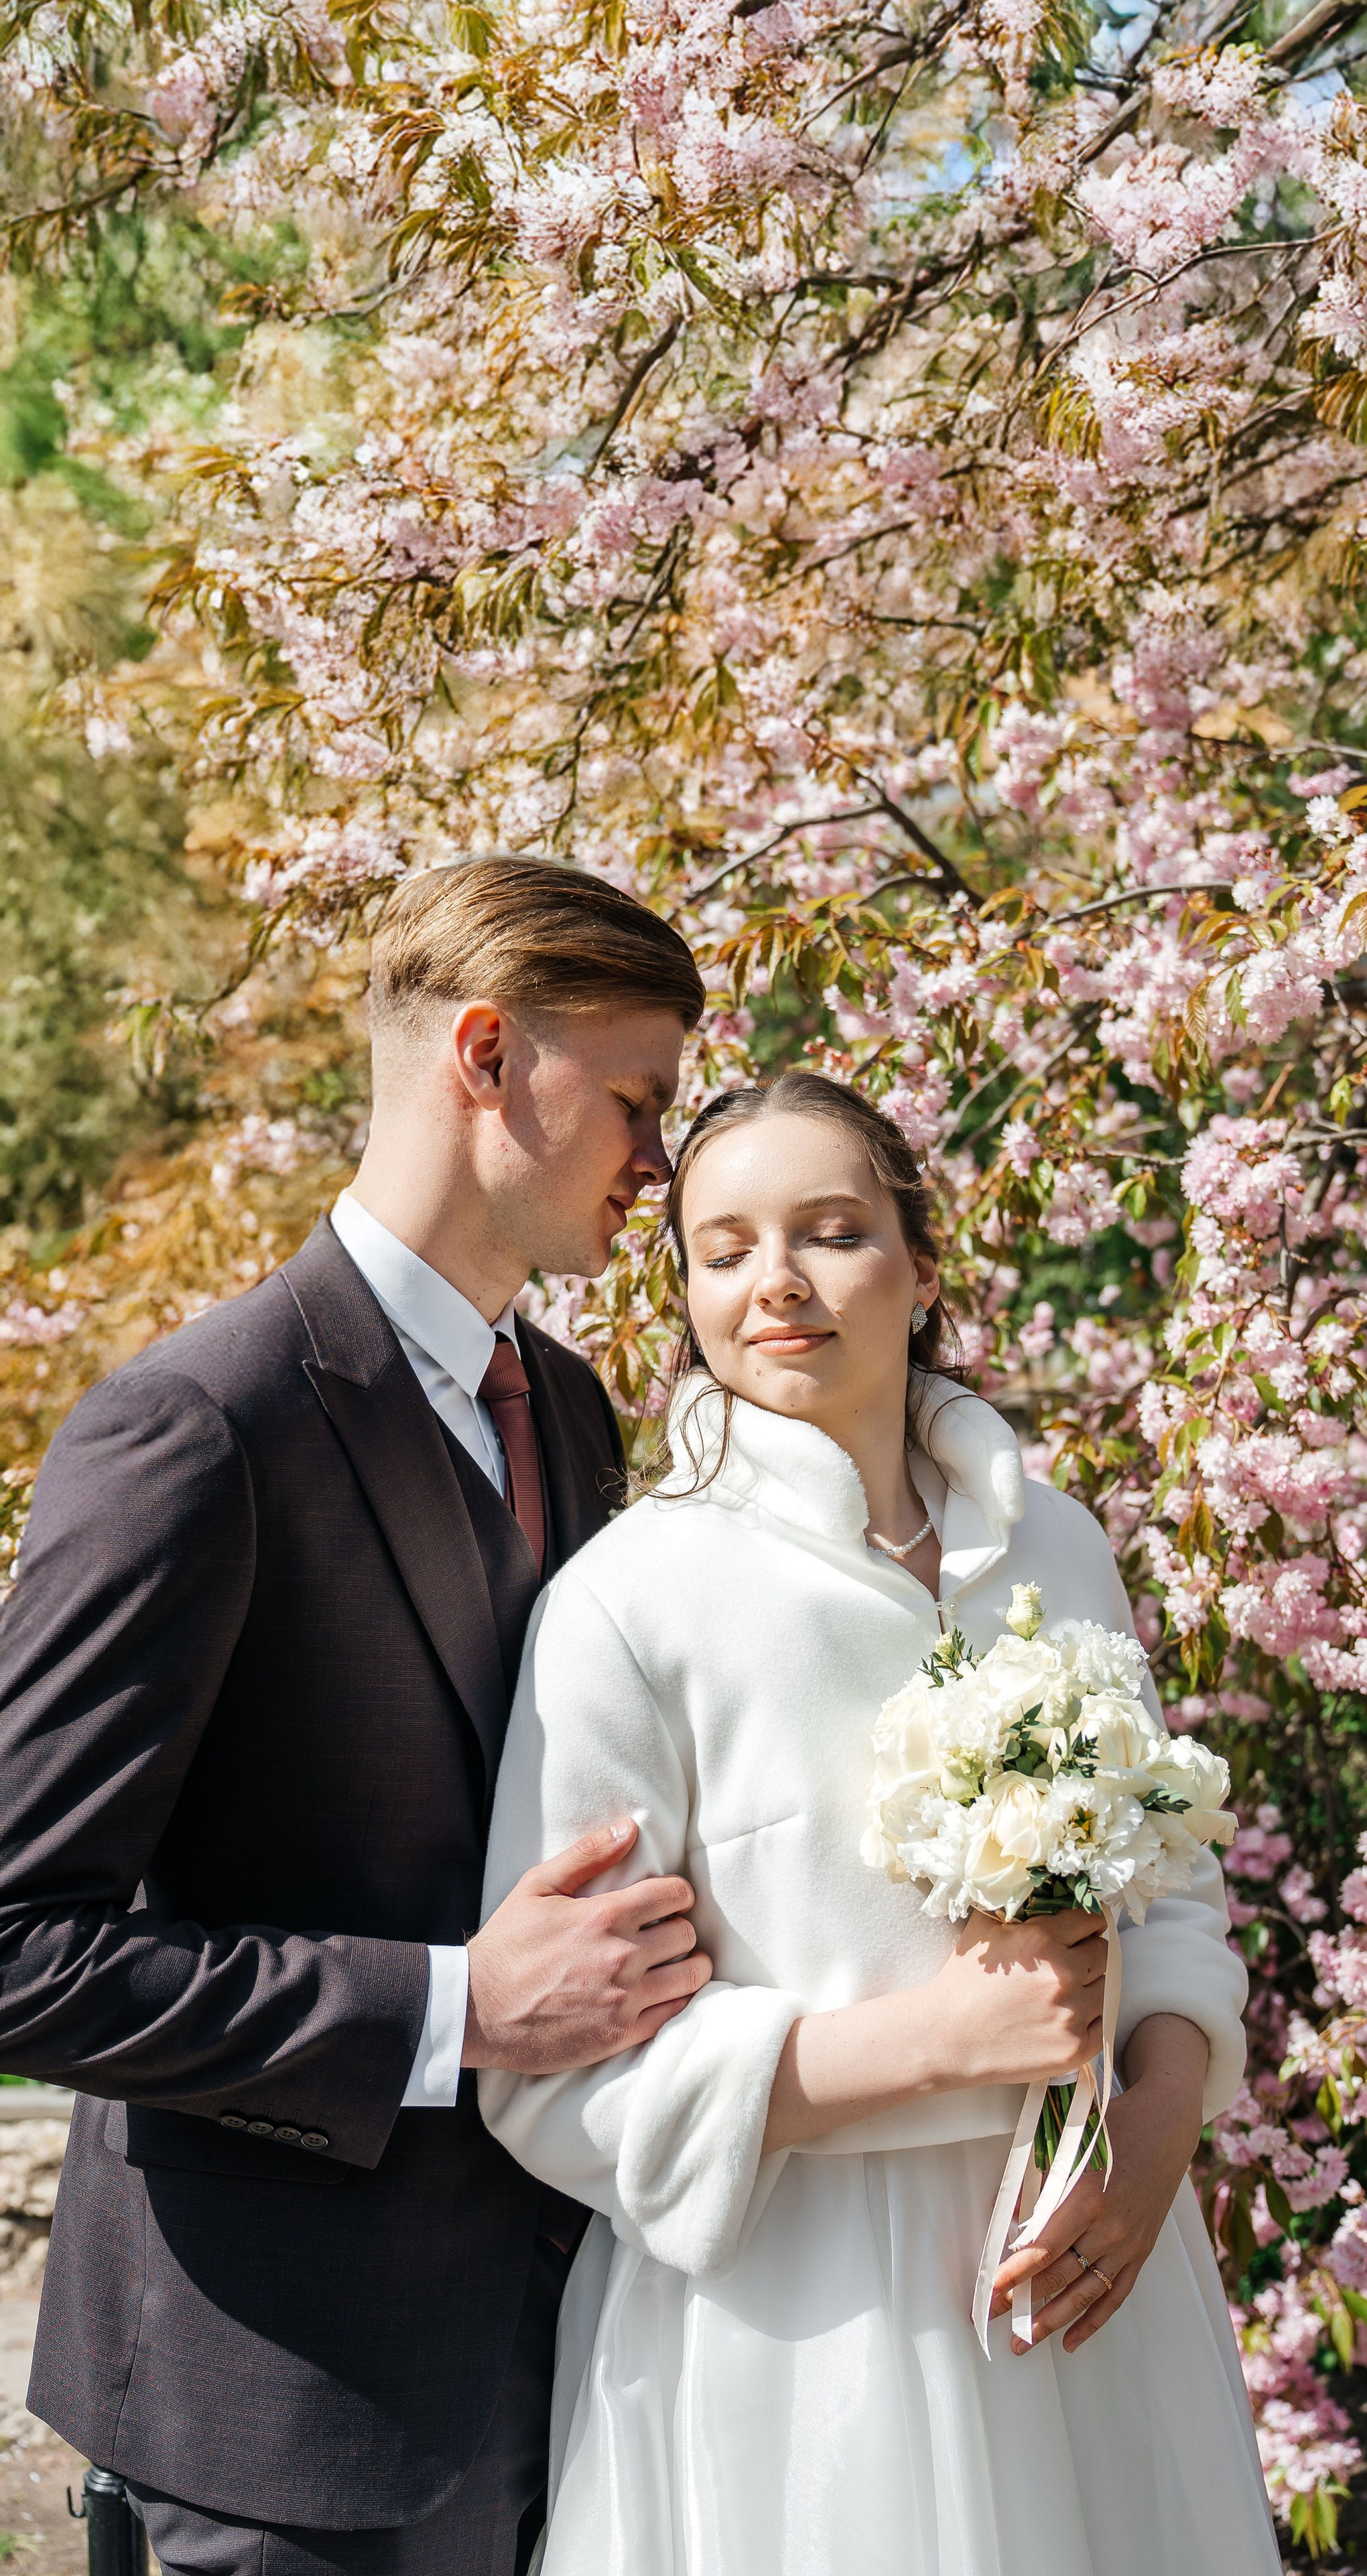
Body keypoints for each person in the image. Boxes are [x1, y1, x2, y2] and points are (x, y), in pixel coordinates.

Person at [0, 858, 716, 2576]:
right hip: (281, 2416)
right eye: (636, 1101)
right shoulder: (197, 1428)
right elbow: (19, 1945)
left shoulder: (569, 1404)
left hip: (562, 2370)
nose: (660, 1166)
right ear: (487, 1057)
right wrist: (462, 2006)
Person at [480, 1070, 1281, 2576]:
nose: (774, 1281)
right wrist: (928, 2043)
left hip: (1094, 2270)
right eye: (721, 1249)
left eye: (830, 1231)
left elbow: (1170, 1889)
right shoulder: (631, 1601)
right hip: (802, 2326)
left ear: (920, 1266)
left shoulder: (1053, 1539)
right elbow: (553, 2082)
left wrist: (1158, 2131)